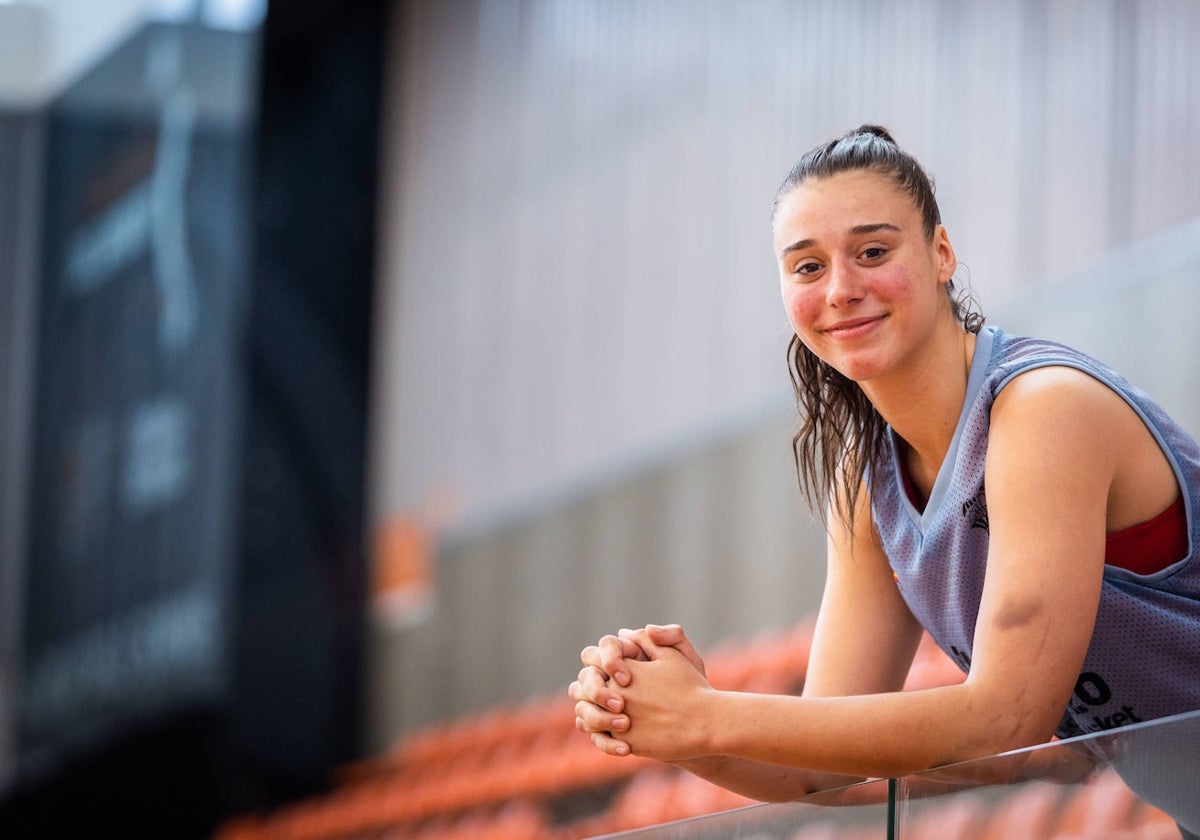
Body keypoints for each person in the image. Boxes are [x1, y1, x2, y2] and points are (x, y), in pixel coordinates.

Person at [568, 125, 1200, 832]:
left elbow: (1006, 713)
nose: (841, 289)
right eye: (807, 267)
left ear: (941, 254)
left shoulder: (1044, 408)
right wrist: (661, 718)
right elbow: (815, 773)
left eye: (872, 252)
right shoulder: (867, 484)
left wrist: (706, 715)